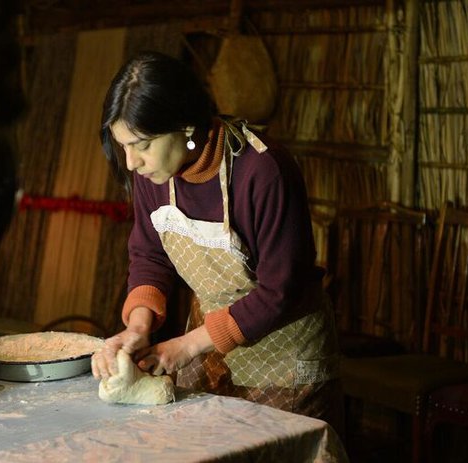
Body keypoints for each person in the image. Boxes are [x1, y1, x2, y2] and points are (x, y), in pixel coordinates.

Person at [91, 50, 343, 434]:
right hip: (208, 350)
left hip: (284, 358)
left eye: (141, 145)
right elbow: (149, 254)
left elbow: (279, 290)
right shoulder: (154, 175)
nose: (131, 162)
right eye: (122, 145)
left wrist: (188, 345)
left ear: (184, 126)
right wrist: (138, 327)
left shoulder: (263, 170)